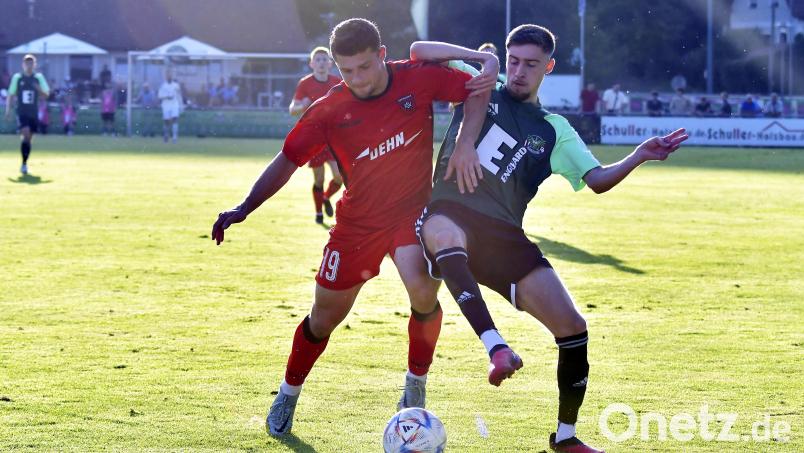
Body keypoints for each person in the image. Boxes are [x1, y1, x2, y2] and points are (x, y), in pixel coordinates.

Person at [210, 18, 496, 437]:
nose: (357, 79)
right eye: (347, 71)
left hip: (411, 214)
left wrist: (466, 142)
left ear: (381, 55)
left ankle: (415, 385)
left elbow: (476, 91)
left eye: (364, 66)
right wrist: (245, 207)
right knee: (323, 318)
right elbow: (288, 159)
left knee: (423, 290)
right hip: (356, 226)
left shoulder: (417, 77)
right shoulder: (329, 109)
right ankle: (288, 392)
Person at [410, 25, 688, 453]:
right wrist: (485, 60)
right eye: (514, 61)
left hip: (504, 237)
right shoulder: (480, 81)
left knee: (573, 327)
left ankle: (566, 437)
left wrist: (638, 156)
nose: (519, 72)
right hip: (450, 212)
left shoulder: (554, 129)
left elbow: (596, 179)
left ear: (549, 67)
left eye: (531, 64)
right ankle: (496, 347)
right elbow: (418, 50)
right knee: (445, 232)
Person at [289, 47, 344, 224]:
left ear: (330, 63)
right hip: (314, 138)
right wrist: (302, 105)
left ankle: (326, 197)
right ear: (311, 64)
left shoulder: (337, 82)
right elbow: (292, 110)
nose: (321, 63)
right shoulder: (305, 83)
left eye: (324, 59)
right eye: (318, 59)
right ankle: (319, 213)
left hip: (333, 138)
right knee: (319, 178)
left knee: (339, 177)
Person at [4, 54, 50, 175]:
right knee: (25, 132)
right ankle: (24, 165)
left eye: (31, 63)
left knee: (28, 138)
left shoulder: (38, 78)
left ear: (34, 65)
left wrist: (38, 89)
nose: (29, 65)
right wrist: (8, 110)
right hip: (22, 112)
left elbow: (46, 94)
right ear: (23, 65)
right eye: (26, 63)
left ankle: (25, 161)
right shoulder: (18, 78)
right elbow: (11, 94)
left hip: (33, 113)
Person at [158, 69, 182, 143]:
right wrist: (167, 97)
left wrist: (181, 104)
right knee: (166, 121)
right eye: (168, 76)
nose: (169, 77)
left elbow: (179, 94)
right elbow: (159, 96)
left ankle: (174, 137)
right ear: (166, 77)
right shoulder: (163, 86)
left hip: (174, 104)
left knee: (175, 119)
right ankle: (166, 135)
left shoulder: (176, 85)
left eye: (171, 75)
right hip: (166, 105)